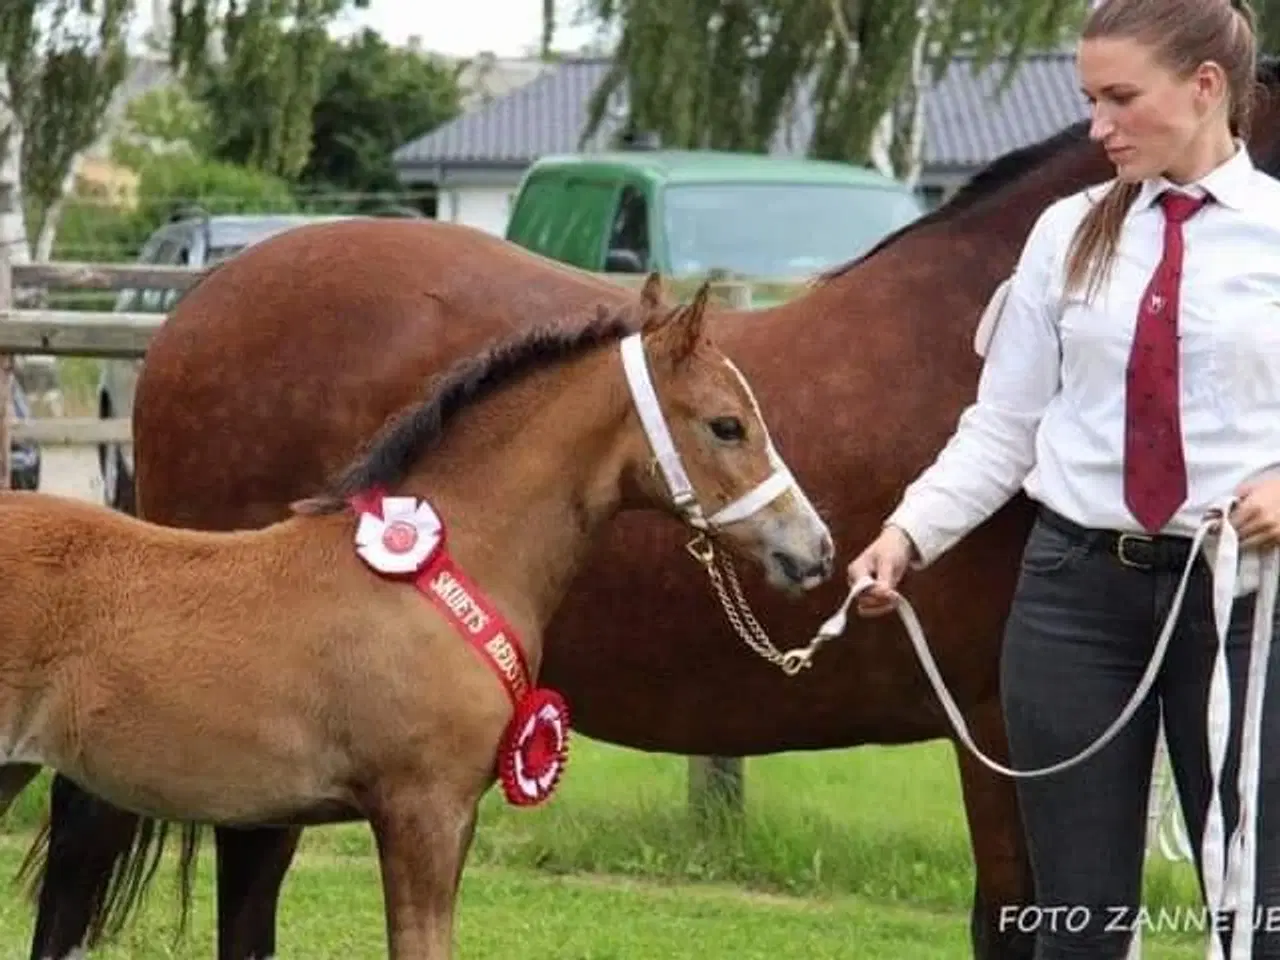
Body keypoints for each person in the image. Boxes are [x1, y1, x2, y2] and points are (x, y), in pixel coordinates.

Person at [847, 0, 1280, 956]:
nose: (1097, 127)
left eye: (1121, 98)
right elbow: (1002, 426)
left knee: (1256, 915)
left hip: (1245, 609)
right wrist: (908, 532)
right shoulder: (1063, 233)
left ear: (1206, 88)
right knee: (1073, 921)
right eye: (1090, 99)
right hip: (1073, 604)